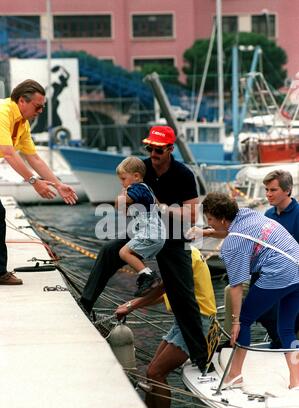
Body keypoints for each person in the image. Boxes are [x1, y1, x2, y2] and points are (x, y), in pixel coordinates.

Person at [80, 125, 208, 370]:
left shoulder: (183, 174)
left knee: (183, 298)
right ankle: (85, 305)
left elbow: (192, 215)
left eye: (158, 149)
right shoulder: (140, 168)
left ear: (171, 149)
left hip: (172, 235)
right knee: (110, 251)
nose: (153, 153)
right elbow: (122, 201)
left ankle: (201, 358)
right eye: (150, 148)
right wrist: (123, 202)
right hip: (144, 229)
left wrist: (161, 208)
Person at [202, 192, 299, 390]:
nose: (209, 223)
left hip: (279, 272)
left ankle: (235, 375)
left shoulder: (232, 245)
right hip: (297, 265)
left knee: (244, 321)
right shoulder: (247, 214)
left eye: (210, 220)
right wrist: (208, 232)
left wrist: (236, 320)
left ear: (221, 218)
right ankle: (296, 380)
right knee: (286, 329)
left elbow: (237, 285)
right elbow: (236, 231)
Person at [115, 245, 216, 408]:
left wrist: (131, 306)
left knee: (156, 373)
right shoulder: (183, 251)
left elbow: (163, 288)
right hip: (183, 320)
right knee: (151, 373)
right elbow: (168, 292)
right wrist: (132, 304)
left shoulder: (183, 256)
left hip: (196, 323)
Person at [0, 79, 78, 285]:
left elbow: (33, 157)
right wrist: (35, 182)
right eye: (38, 106)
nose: (41, 111)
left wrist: (58, 183)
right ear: (22, 101)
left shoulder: (22, 124)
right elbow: (8, 153)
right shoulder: (3, 112)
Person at [115, 156, 165, 296]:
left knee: (124, 252)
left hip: (151, 232)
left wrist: (123, 193)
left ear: (136, 176)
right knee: (128, 253)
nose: (122, 183)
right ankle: (147, 276)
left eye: (123, 179)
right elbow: (123, 210)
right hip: (155, 233)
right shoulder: (145, 189)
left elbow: (120, 204)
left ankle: (149, 276)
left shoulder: (138, 189)